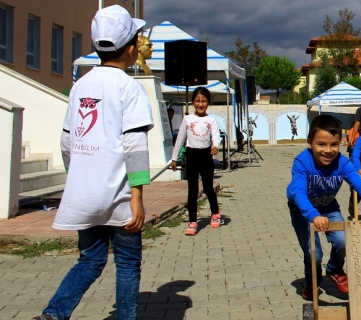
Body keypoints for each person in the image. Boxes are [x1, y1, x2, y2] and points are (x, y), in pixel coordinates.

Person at [33, 6, 151, 320]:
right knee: (126, 263)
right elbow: (135, 145)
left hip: (84, 196)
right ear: (130, 49)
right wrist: (138, 196)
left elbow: (67, 141)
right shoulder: (130, 88)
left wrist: (78, 175)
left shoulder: (80, 86)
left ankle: (55, 313)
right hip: (119, 198)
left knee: (89, 261)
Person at [287, 115, 361, 300]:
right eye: (321, 144)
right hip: (302, 210)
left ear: (341, 143)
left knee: (342, 240)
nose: (328, 151)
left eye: (334, 145)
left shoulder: (342, 163)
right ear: (310, 143)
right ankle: (312, 282)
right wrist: (313, 216)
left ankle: (335, 270)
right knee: (314, 253)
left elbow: (360, 185)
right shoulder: (302, 163)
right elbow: (298, 193)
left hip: (328, 206)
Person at [171, 87, 222, 235]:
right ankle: (192, 221)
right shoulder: (187, 119)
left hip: (206, 156)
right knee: (192, 190)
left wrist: (215, 146)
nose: (200, 104)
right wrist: (174, 158)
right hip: (191, 156)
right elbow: (180, 140)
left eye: (204, 101)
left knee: (207, 187)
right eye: (197, 101)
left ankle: (215, 213)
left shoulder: (211, 120)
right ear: (193, 101)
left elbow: (216, 135)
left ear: (208, 103)